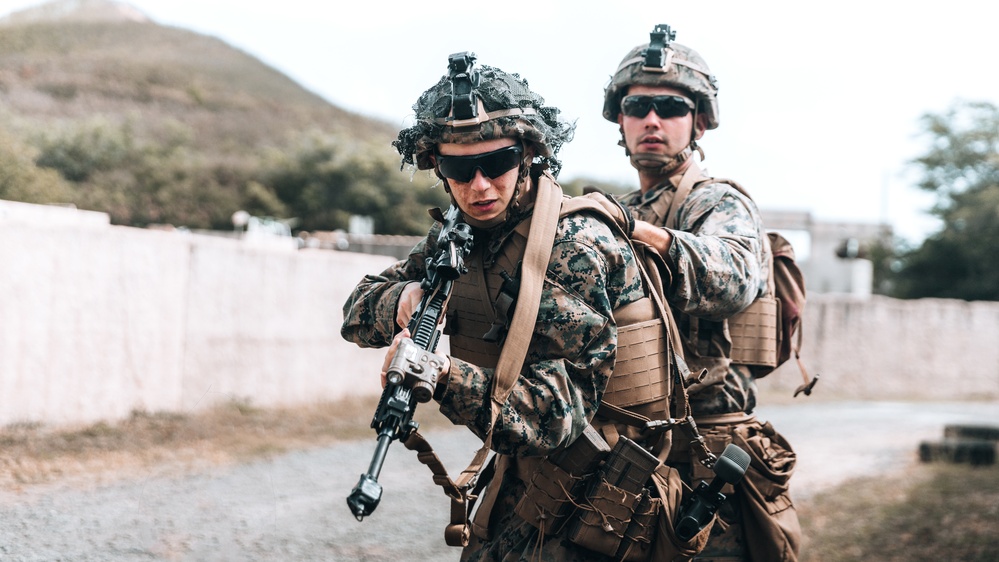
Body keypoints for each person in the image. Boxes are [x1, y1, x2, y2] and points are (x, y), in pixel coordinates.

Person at [342, 53, 701, 561]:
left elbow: (557, 414)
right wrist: (403, 302)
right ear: (437, 168)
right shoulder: (460, 236)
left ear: (530, 153)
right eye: (459, 169)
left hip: (604, 500)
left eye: (498, 163)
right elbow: (354, 310)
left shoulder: (570, 245)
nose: (480, 185)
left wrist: (442, 374)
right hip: (527, 482)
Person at [603, 24, 802, 561]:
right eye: (636, 105)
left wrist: (636, 234)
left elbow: (735, 274)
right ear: (618, 120)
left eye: (670, 106)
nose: (651, 120)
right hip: (631, 453)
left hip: (706, 459)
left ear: (698, 122)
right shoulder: (619, 211)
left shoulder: (715, 202)